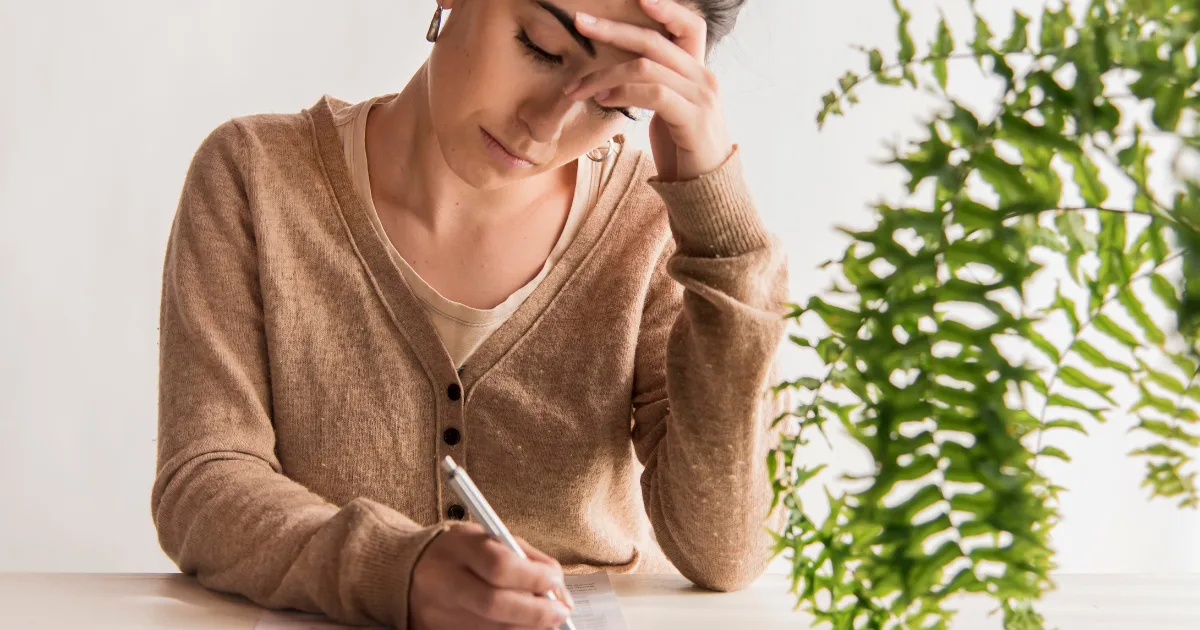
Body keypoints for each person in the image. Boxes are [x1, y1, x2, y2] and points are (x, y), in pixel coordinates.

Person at [152, 0, 789, 628]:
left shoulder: (653, 228)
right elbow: (205, 482)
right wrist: (394, 571)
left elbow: (727, 552)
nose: (545, 125)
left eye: (613, 100)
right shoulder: (255, 176)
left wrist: (721, 230)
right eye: (540, 46)